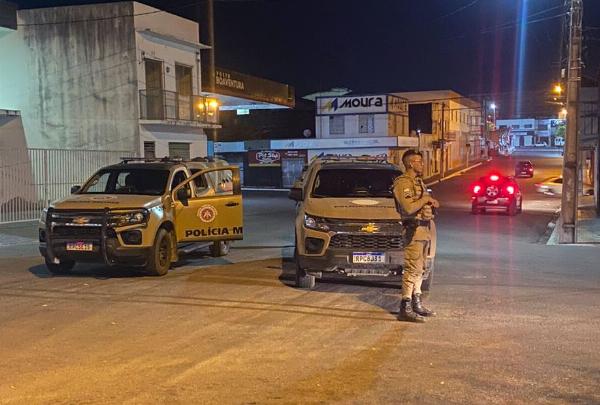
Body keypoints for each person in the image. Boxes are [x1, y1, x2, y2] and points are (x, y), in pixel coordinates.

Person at [392, 150, 440, 322]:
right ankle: (405, 306)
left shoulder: (418, 182)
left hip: (423, 229)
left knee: (420, 268)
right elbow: (408, 208)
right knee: (412, 268)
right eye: (419, 161)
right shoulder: (402, 183)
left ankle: (416, 302)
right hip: (413, 230)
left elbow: (420, 205)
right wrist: (426, 198)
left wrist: (430, 205)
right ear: (411, 163)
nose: (422, 164)